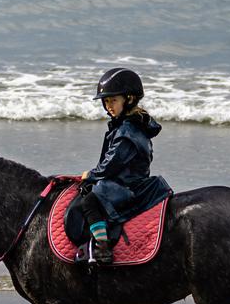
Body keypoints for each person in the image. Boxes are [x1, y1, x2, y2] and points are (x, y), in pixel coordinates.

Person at [73, 68, 171, 265]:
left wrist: (91, 175)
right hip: (124, 181)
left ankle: (102, 248)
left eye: (113, 100)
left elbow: (111, 164)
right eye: (106, 101)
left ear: (129, 99)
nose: (109, 106)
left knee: (89, 202)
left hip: (128, 186)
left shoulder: (127, 131)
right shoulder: (129, 125)